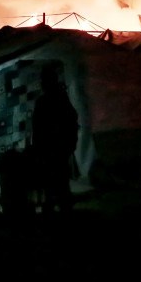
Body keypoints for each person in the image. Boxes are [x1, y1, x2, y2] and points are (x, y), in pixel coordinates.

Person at [31, 64, 79, 214]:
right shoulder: (58, 99)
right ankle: (60, 211)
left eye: (44, 80)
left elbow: (39, 127)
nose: (42, 83)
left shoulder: (50, 100)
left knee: (55, 182)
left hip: (54, 148)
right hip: (55, 148)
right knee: (57, 182)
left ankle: (57, 212)